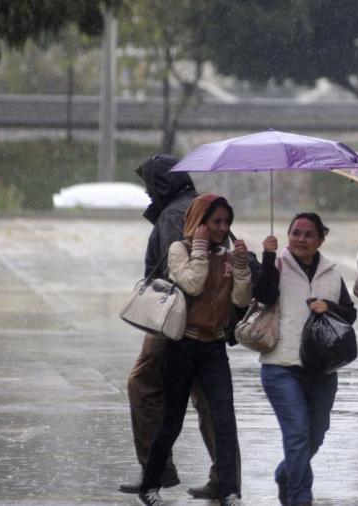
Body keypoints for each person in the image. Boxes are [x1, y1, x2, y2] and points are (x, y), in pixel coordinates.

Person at [120, 155, 240, 500]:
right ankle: (223, 479)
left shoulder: (176, 214)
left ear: (159, 184)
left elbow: (185, 277)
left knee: (145, 385)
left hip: (178, 322)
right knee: (210, 405)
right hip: (196, 323)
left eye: (148, 183)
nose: (146, 191)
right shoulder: (190, 205)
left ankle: (158, 471)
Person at [137, 194, 251, 506]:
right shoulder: (180, 249)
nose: (222, 228)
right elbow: (192, 285)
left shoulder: (228, 257)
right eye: (215, 222)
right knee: (172, 419)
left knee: (224, 420)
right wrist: (200, 250)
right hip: (181, 345)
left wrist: (241, 265)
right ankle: (150, 486)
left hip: (214, 347)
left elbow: (241, 300)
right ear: (199, 222)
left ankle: (230, 491)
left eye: (226, 222)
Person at [253, 213, 357, 506]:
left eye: (308, 234)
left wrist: (330, 307)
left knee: (316, 434)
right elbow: (263, 296)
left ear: (320, 239)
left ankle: (286, 473)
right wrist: (268, 255)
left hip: (322, 370)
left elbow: (350, 314)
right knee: (297, 434)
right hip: (280, 365)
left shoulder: (331, 272)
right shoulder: (276, 264)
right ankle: (300, 498)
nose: (301, 239)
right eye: (296, 233)